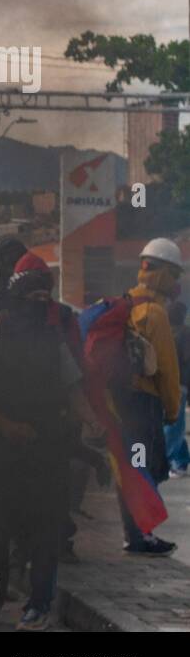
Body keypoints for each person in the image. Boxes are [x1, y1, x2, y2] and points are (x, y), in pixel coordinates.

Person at [0, 254, 90, 631]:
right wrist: (6, 426)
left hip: (47, 449)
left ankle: (38, 606)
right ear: (15, 298)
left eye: (43, 296)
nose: (38, 303)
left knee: (45, 533)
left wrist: (96, 424)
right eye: (30, 295)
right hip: (3, 451)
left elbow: (74, 390)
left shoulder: (54, 341)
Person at [114, 238, 182, 556]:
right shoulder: (155, 314)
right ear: (164, 274)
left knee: (128, 468)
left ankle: (134, 533)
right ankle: (142, 534)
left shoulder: (126, 303)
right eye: (176, 274)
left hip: (120, 402)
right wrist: (171, 410)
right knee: (148, 467)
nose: (178, 282)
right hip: (145, 405)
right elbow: (167, 371)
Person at [165, 300, 190, 477]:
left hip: (176, 384)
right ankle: (180, 462)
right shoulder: (181, 333)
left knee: (172, 425)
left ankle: (169, 460)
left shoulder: (180, 334)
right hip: (176, 384)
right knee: (173, 424)